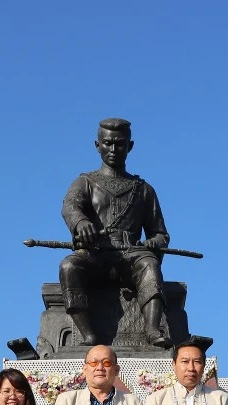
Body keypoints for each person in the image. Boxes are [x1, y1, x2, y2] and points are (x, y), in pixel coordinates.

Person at [59, 117, 171, 346]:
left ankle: (152, 330)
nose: (113, 149)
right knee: (69, 266)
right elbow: (70, 207)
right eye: (107, 143)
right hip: (95, 254)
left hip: (131, 256)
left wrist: (154, 243)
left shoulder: (144, 190)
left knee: (150, 264)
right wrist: (80, 224)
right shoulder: (84, 182)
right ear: (97, 145)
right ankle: (88, 334)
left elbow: (159, 233)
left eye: (119, 143)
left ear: (129, 146)